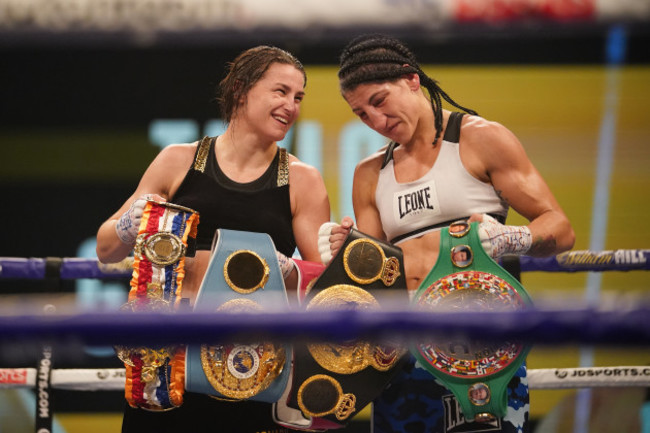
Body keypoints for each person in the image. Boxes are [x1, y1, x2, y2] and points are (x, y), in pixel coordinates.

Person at [321, 34, 575, 432]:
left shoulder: (480, 139)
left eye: (379, 101)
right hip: (402, 353)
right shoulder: (369, 174)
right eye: (361, 114)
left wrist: (513, 238)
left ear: (411, 81)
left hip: (482, 347)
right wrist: (347, 252)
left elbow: (560, 228)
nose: (375, 120)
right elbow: (374, 280)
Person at [96, 45, 330, 433]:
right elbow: (106, 250)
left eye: (298, 97)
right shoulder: (179, 160)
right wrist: (128, 225)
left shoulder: (302, 180)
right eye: (280, 91)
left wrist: (287, 271)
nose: (291, 106)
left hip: (250, 362)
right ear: (241, 90)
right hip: (167, 358)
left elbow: (321, 287)